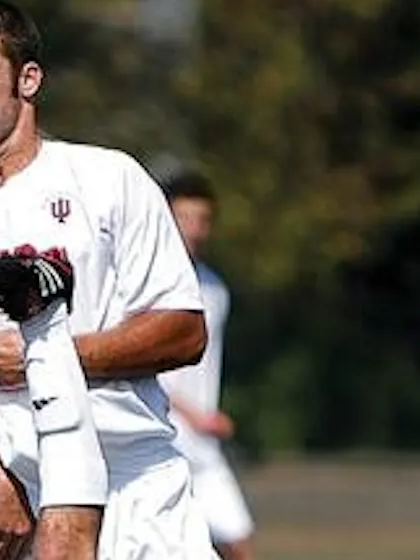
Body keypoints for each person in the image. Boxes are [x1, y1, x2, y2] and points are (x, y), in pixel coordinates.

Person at [0, 0, 217, 559]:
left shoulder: (109, 180)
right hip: (31, 498)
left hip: (140, 488)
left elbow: (184, 332)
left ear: (27, 79)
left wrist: (50, 358)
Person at [158, 171, 256, 560]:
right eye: (184, 218)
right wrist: (191, 413)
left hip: (203, 443)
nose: (194, 230)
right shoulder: (149, 283)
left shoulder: (215, 288)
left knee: (238, 543)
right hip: (162, 436)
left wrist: (207, 416)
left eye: (202, 220)